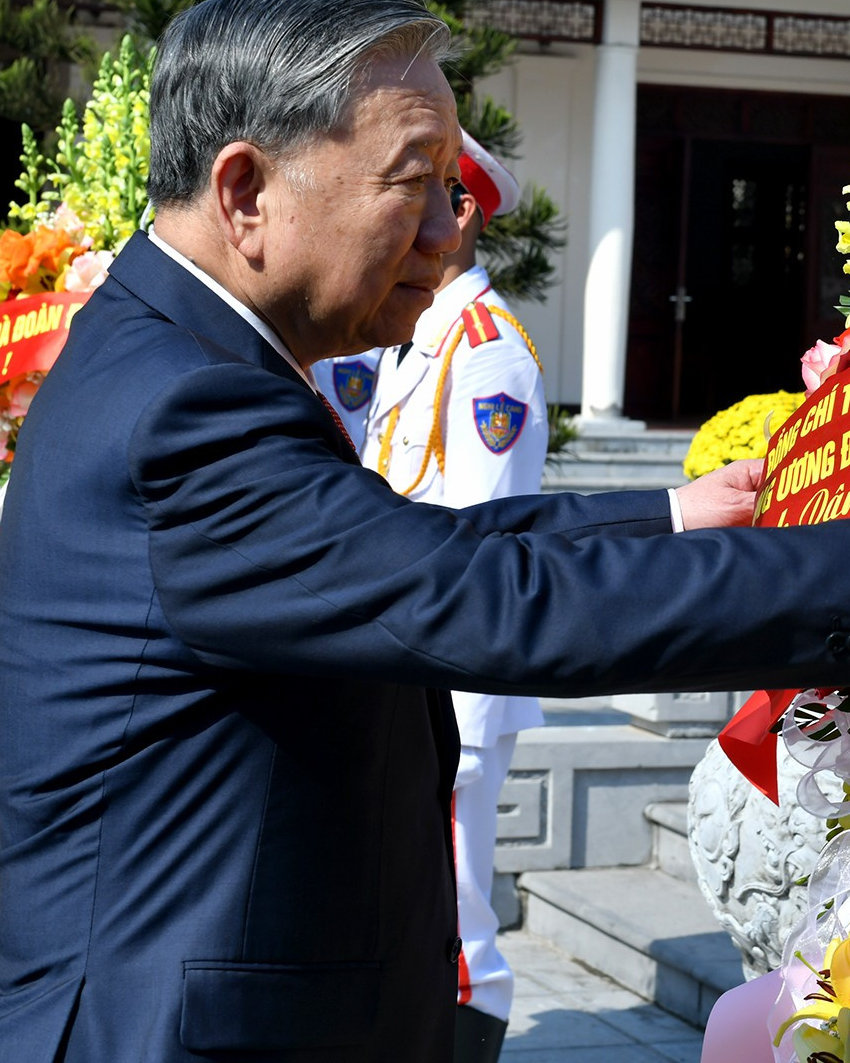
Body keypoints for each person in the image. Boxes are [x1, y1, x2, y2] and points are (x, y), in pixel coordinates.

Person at [0, 0, 850, 1063]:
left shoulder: (179, 356)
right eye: (413, 182)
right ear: (246, 190)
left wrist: (676, 517)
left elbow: (412, 554)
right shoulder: (188, 403)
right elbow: (479, 604)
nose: (446, 230)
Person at [314, 131, 545, 1063]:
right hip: (409, 660)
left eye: (424, 197)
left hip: (456, 674)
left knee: (459, 921)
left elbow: (481, 541)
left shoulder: (490, 356)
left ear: (464, 216)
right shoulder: (412, 344)